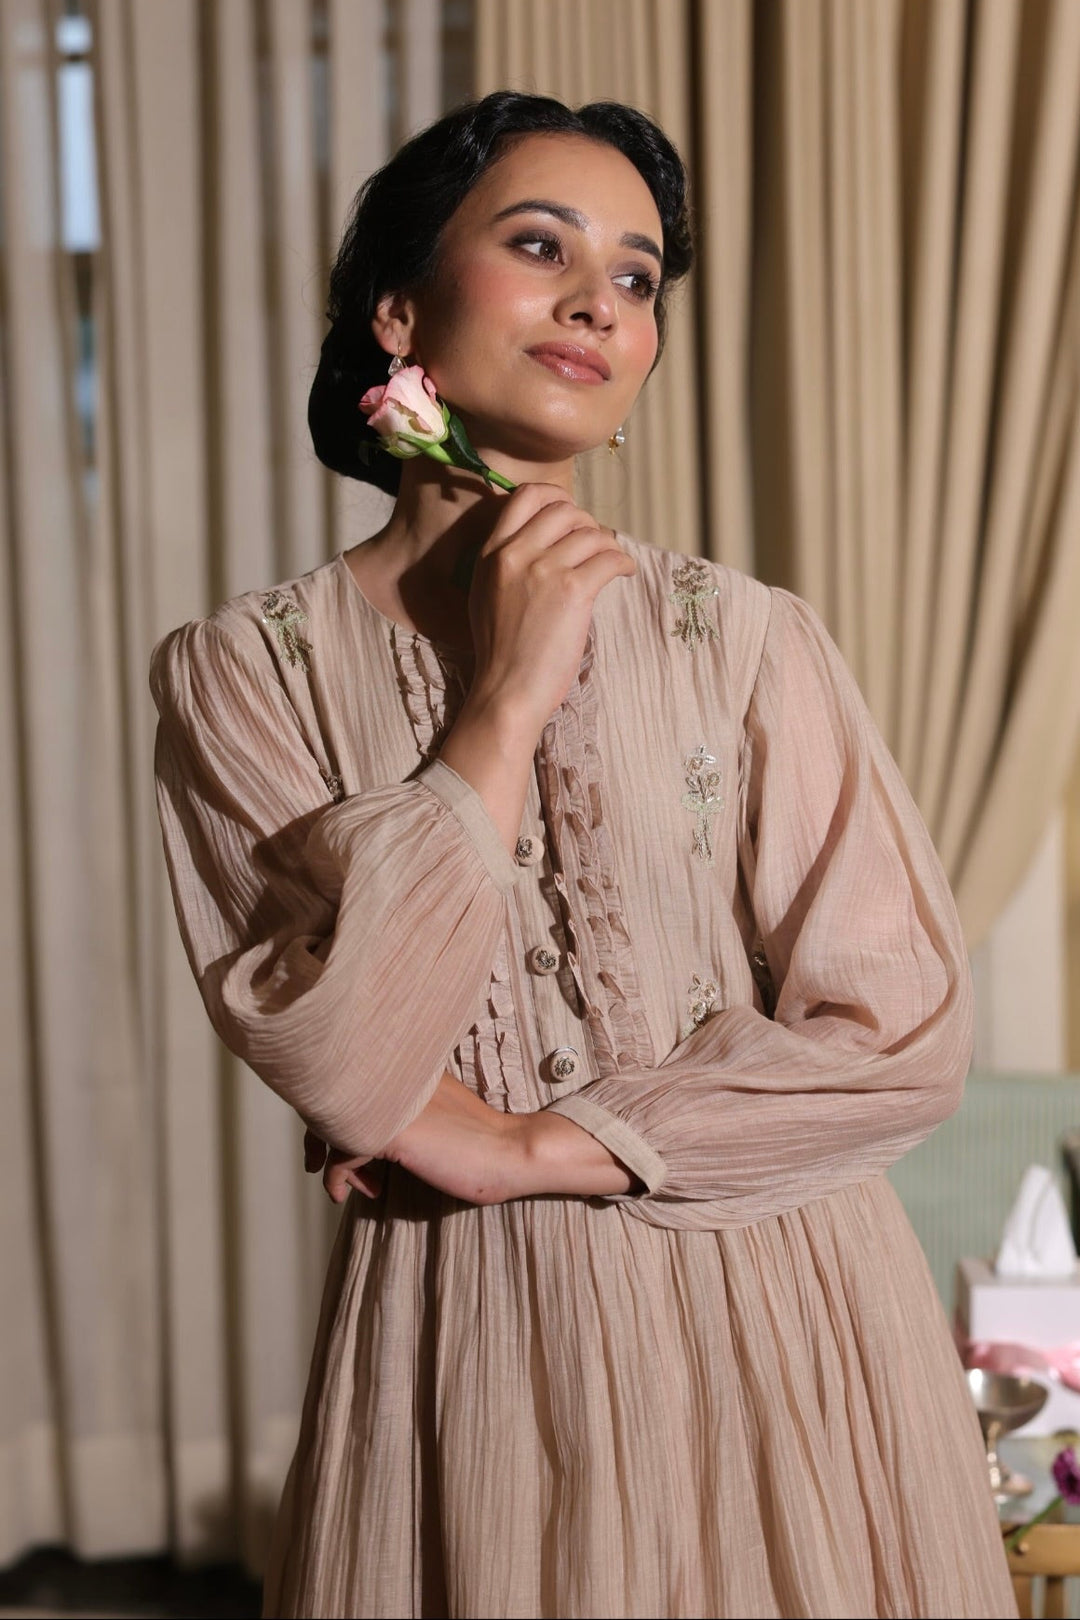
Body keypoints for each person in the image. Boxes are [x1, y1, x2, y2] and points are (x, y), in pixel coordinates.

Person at [150, 90, 1018, 1620]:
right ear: (399, 313)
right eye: (539, 245)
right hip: (473, 1333)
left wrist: (532, 1143)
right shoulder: (243, 673)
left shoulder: (744, 636)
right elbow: (347, 1063)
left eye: (634, 278)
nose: (594, 303)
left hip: (793, 1312)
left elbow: (901, 1039)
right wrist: (504, 699)